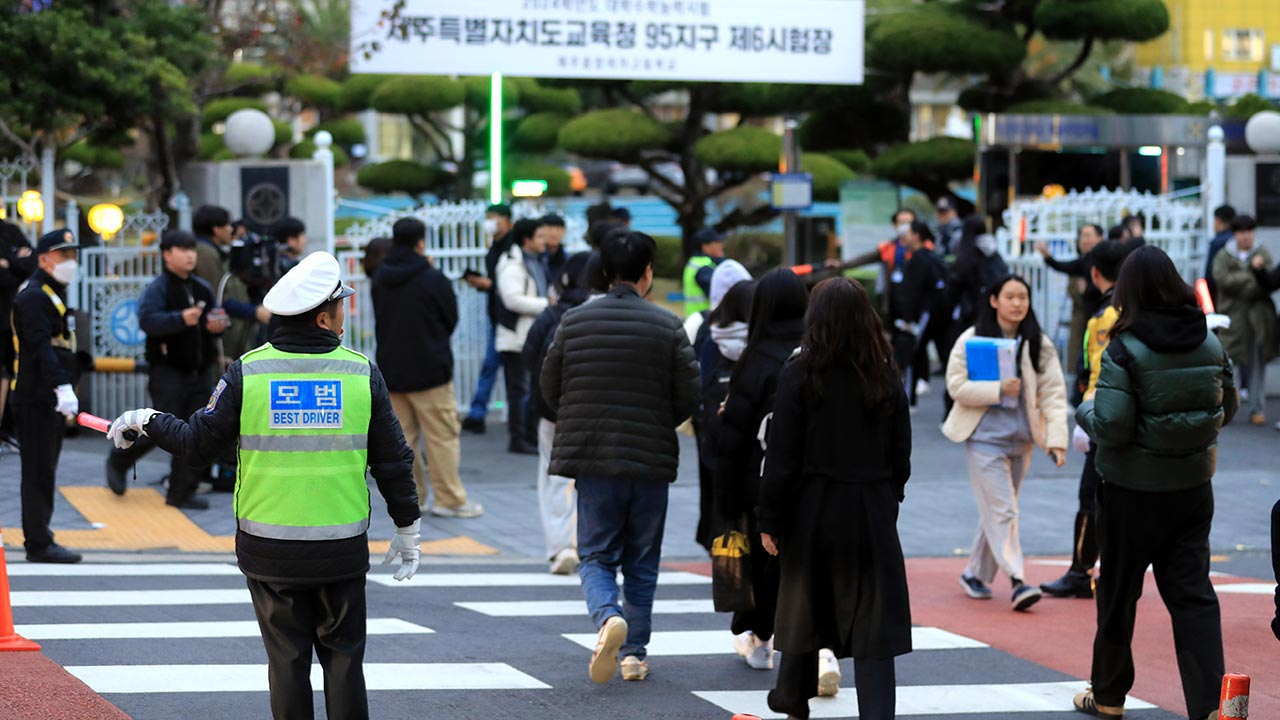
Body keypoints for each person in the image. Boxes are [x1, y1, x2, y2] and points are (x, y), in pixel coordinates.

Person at [107, 251, 421, 720]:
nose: (344, 317)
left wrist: (146, 420)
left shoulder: (248, 371)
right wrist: (408, 526)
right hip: (340, 549)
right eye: (340, 308)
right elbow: (393, 460)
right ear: (321, 317)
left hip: (270, 550)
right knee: (344, 660)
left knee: (287, 662)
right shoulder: (360, 372)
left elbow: (197, 444)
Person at [1072, 245, 1236, 720]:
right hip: (1192, 489)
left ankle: (1107, 697)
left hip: (1131, 492)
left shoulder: (1124, 347)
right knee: (1194, 597)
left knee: (1119, 595)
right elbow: (1229, 408)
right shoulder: (1209, 341)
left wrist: (1084, 409)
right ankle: (1215, 707)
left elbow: (1113, 425)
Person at [540, 230, 699, 684]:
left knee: (595, 555)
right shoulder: (668, 324)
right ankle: (633, 654)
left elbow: (549, 387)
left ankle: (607, 616)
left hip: (592, 458)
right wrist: (657, 421)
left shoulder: (574, 321)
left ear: (605, 272)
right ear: (647, 273)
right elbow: (689, 394)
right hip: (649, 459)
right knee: (643, 560)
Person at [758, 276, 912, 720]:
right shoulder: (883, 371)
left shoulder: (800, 372)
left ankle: (792, 700)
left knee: (807, 607)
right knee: (873, 623)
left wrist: (771, 517)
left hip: (813, 506)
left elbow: (781, 455)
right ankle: (878, 713)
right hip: (870, 505)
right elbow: (901, 449)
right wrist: (889, 499)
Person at [944, 275, 1068, 611]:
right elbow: (955, 385)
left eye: (1023, 297)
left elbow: (1054, 394)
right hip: (984, 440)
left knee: (997, 510)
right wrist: (998, 389)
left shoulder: (1038, 343)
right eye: (1010, 296)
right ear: (994, 300)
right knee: (1004, 509)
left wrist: (1057, 440)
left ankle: (974, 574)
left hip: (1022, 442)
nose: (1017, 303)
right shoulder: (973, 340)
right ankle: (1017, 580)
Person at [715, 268, 808, 675]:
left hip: (762, 477)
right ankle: (819, 651)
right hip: (814, 478)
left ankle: (763, 639)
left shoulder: (758, 358)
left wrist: (725, 494)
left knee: (765, 562)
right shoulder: (814, 352)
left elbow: (734, 434)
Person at [105, 231, 229, 507]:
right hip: (168, 371)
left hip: (201, 371)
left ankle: (181, 492)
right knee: (159, 427)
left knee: (196, 431)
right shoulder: (158, 288)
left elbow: (217, 319)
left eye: (192, 249)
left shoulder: (201, 287)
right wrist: (180, 319)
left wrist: (216, 327)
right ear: (166, 254)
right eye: (182, 249)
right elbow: (148, 321)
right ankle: (119, 458)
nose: (190, 255)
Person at [1041, 239, 1132, 599]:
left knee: (1090, 496)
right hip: (1132, 419)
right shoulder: (1133, 309)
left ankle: (1081, 571)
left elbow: (1099, 372)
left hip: (1104, 416)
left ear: (1095, 273)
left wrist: (1085, 418)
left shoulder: (1104, 317)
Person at [373, 218, 480, 519]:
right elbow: (450, 319)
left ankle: (412, 499)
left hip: (392, 370)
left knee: (403, 440)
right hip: (431, 369)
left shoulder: (382, 276)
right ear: (421, 242)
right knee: (441, 436)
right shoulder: (433, 278)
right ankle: (449, 499)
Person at [11, 230, 85, 564]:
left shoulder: (51, 291)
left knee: (46, 469)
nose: (71, 262)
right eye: (64, 255)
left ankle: (42, 536)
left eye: (73, 254)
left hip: (47, 394)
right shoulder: (34, 297)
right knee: (39, 471)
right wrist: (61, 386)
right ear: (44, 259)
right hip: (37, 396)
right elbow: (40, 346)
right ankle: (38, 543)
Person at [522, 252, 592, 575]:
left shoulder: (551, 315)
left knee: (555, 480)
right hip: (593, 413)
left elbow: (529, 357)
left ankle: (562, 547)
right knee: (593, 481)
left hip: (553, 413)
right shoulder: (596, 313)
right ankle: (590, 545)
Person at [693, 261, 754, 550]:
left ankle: (715, 537)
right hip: (754, 432)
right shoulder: (762, 333)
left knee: (713, 484)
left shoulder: (705, 330)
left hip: (713, 428)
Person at [1213, 215, 1274, 426]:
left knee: (1258, 363)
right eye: (1241, 232)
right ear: (1235, 233)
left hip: (1257, 318)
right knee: (1227, 363)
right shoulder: (1224, 255)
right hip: (1232, 317)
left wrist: (1242, 281)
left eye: (1249, 231)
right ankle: (1222, 408)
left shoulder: (1262, 252)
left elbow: (1264, 283)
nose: (1246, 236)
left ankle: (1258, 408)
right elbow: (1221, 280)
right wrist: (1250, 274)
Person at [495, 218, 548, 455]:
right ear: (527, 240)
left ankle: (528, 436)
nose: (544, 241)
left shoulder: (534, 261)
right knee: (519, 392)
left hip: (530, 337)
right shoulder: (512, 265)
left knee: (531, 390)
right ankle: (518, 439)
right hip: (516, 339)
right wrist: (547, 304)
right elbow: (512, 300)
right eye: (539, 236)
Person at [461, 203, 515, 434]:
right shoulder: (495, 245)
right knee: (492, 367)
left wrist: (489, 285)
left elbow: (509, 283)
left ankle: (479, 413)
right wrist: (483, 284)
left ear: (506, 219)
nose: (490, 222)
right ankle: (478, 413)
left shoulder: (513, 246)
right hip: (496, 314)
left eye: (494, 217)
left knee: (505, 368)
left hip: (510, 317)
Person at [889, 221, 947, 407]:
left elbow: (914, 291)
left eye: (909, 233)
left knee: (911, 354)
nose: (906, 236)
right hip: (930, 314)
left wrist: (907, 318)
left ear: (917, 235)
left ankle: (908, 399)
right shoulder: (927, 256)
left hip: (922, 315)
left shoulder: (920, 258)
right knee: (920, 353)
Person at [1036, 223, 1104, 377]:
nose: (1084, 240)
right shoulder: (1083, 261)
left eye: (1088, 235)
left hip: (1103, 315)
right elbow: (1063, 267)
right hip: (1086, 317)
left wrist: (1088, 289)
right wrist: (1048, 257)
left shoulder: (1106, 259)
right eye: (1082, 236)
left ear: (1100, 237)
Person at [0, 220, 35, 448]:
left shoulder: (11, 231)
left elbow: (31, 263)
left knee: (8, 372)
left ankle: (6, 428)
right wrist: (16, 266)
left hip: (8, 321)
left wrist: (8, 263)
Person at [682, 228, 726, 317]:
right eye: (716, 242)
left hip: (695, 319)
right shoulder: (704, 268)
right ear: (705, 247)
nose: (721, 246)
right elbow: (718, 296)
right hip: (705, 321)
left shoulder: (695, 262)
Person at [1204, 205, 1237, 303]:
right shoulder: (1237, 239)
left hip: (1219, 294)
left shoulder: (1217, 242)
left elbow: (1210, 273)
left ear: (1218, 221)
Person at [539, 214, 568, 285]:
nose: (554, 233)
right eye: (549, 228)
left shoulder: (568, 260)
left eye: (558, 229)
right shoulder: (536, 258)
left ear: (564, 231)